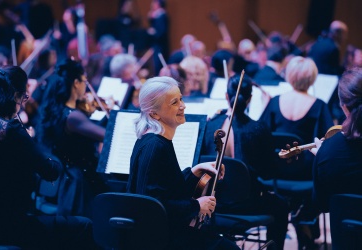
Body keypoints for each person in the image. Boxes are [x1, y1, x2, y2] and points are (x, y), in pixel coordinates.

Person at [0, 66, 97, 249]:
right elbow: (50, 171)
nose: (25, 102)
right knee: (84, 225)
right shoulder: (11, 129)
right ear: (15, 96)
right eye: (24, 97)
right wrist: (32, 140)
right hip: (9, 226)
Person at [127, 76, 240, 250]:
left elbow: (168, 188)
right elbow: (153, 206)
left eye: (181, 98)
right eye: (174, 102)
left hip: (165, 232)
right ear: (154, 113)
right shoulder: (156, 147)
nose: (183, 106)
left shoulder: (153, 140)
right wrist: (197, 205)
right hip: (163, 239)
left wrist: (194, 171)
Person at [201, 75, 289, 250]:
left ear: (227, 96)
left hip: (213, 202)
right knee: (281, 205)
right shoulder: (257, 128)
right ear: (249, 99)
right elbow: (268, 173)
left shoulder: (209, 125)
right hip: (247, 204)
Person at [259, 56, 333, 249]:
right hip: (306, 176)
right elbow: (328, 143)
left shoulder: (274, 103)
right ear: (312, 78)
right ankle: (307, 229)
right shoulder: (319, 106)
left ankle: (275, 241)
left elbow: (261, 135)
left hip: (276, 175)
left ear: (289, 76)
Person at [36, 59, 107, 218]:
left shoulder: (57, 110)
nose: (85, 86)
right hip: (79, 182)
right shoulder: (73, 117)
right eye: (84, 81)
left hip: (66, 176)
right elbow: (106, 135)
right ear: (76, 83)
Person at [311, 67, 362, 212]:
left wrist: (323, 155)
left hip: (346, 232)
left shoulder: (327, 150)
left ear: (343, 106)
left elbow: (321, 204)